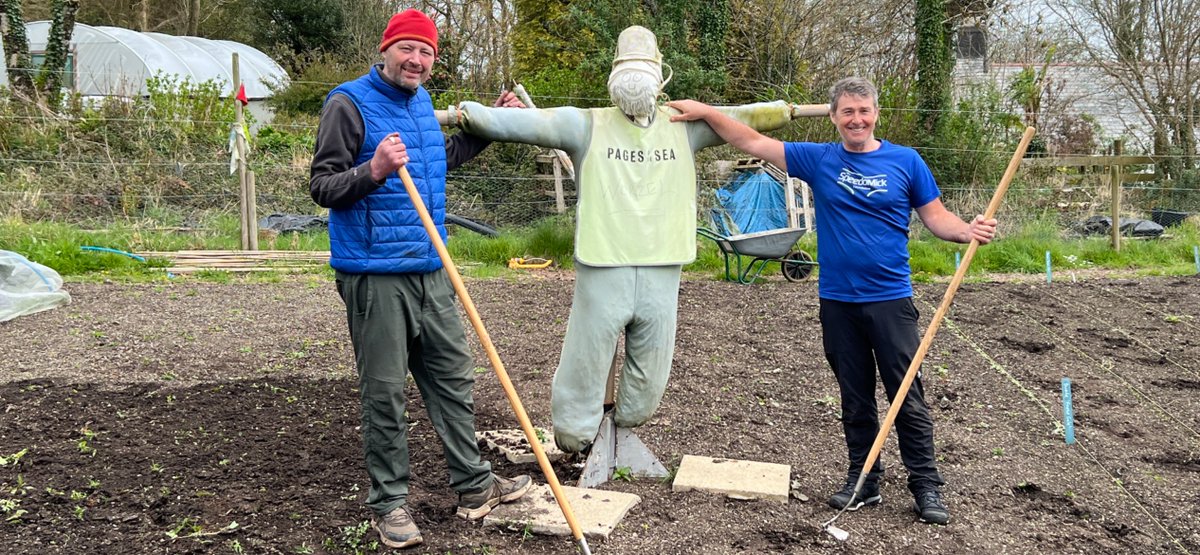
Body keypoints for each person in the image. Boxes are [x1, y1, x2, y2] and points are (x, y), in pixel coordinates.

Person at [443, 26, 816, 453]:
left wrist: (783, 110)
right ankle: (576, 432)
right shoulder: (587, 124)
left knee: (652, 361)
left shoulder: (684, 125)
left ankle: (628, 421)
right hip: (605, 259)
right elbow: (531, 123)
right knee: (588, 351)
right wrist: (470, 113)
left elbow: (742, 117)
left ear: (659, 77)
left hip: (663, 260)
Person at [667, 77, 998, 526]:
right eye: (847, 112)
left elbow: (936, 217)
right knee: (855, 396)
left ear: (875, 113)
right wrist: (707, 110)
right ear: (834, 117)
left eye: (864, 111)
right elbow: (751, 139)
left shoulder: (907, 161)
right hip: (838, 302)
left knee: (907, 396)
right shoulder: (819, 159)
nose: (856, 119)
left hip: (891, 299)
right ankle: (864, 481)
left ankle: (926, 485)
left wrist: (968, 230)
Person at [309, 9, 531, 549]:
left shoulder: (423, 103)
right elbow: (321, 186)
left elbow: (439, 160)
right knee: (385, 392)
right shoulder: (348, 102)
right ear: (386, 50)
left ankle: (475, 488)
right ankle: (389, 505)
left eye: (426, 52)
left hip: (431, 269)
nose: (417, 60)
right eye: (407, 48)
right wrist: (374, 170)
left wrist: (490, 127)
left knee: (453, 378)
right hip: (375, 274)